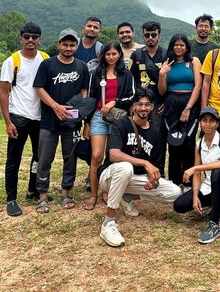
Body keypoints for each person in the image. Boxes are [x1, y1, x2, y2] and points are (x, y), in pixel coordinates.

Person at [97, 89, 181, 247]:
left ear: (152, 107)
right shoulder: (122, 123)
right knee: (125, 167)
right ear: (134, 106)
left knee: (174, 192)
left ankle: (127, 197)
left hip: (134, 180)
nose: (143, 108)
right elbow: (114, 155)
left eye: (147, 105)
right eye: (140, 104)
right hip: (110, 175)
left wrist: (153, 182)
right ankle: (108, 223)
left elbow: (154, 167)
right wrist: (144, 163)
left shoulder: (156, 132)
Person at [33, 28, 90, 213]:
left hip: (71, 122)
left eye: (72, 44)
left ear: (76, 45)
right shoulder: (48, 64)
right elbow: (39, 88)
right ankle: (42, 195)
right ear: (59, 44)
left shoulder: (82, 66)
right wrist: (55, 106)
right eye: (65, 44)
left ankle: (66, 192)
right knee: (45, 158)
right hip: (49, 120)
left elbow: (84, 91)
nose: (68, 47)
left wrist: (78, 109)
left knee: (70, 158)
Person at [0, 23, 49, 216]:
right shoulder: (12, 61)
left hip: (40, 118)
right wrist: (8, 121)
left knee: (38, 157)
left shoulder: (45, 59)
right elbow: (4, 93)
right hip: (19, 117)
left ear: (40, 39)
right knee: (14, 159)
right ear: (21, 38)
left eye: (34, 37)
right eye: (27, 36)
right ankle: (11, 199)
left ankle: (33, 190)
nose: (30, 40)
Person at [84, 42, 136, 210]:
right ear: (103, 56)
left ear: (119, 55)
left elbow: (131, 97)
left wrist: (114, 102)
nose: (111, 57)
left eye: (114, 54)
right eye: (108, 54)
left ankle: (107, 191)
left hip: (118, 119)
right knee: (97, 156)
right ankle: (93, 194)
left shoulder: (126, 74)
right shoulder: (96, 73)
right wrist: (87, 122)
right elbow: (91, 99)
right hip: (99, 117)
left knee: (112, 157)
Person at [173, 106, 220, 244]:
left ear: (217, 123)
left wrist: (194, 167)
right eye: (204, 120)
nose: (207, 124)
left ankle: (215, 223)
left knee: (217, 173)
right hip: (209, 186)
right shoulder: (199, 144)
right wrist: (195, 196)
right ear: (200, 123)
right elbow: (198, 174)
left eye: (211, 121)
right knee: (179, 205)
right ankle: (215, 202)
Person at [158, 34, 202, 185]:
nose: (179, 47)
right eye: (176, 45)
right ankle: (175, 182)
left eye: (182, 45)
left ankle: (189, 182)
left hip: (190, 102)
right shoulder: (168, 63)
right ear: (171, 46)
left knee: (189, 142)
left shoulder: (194, 61)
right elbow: (162, 91)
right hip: (171, 103)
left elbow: (198, 86)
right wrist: (162, 75)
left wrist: (188, 107)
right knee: (174, 142)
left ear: (186, 47)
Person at [130, 21, 167, 172]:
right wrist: (133, 103)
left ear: (159, 36)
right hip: (141, 103)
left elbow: (169, 80)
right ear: (143, 36)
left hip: (158, 103)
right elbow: (131, 79)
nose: (150, 38)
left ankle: (158, 171)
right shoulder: (137, 54)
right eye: (147, 35)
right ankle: (138, 171)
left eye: (153, 35)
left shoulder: (165, 54)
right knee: (138, 137)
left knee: (158, 138)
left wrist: (165, 101)